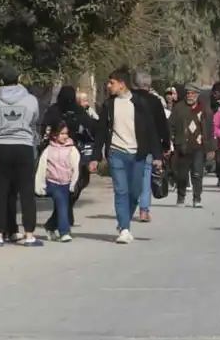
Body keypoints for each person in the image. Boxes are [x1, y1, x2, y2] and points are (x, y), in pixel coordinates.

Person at [97, 69, 165, 244]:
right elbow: (101, 131)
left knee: (134, 192)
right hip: (116, 153)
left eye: (111, 82)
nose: (108, 86)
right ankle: (124, 228)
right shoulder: (108, 105)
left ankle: (125, 221)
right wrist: (95, 156)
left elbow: (151, 130)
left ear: (122, 83)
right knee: (121, 191)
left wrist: (157, 155)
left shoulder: (140, 103)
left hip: (138, 154)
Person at [0, 64, 43, 247]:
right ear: (19, 77)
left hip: (0, 147)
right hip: (23, 146)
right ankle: (29, 234)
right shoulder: (30, 100)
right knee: (26, 192)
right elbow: (34, 120)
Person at [44, 85, 99, 234]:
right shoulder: (55, 111)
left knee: (75, 186)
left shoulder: (77, 111)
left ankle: (60, 217)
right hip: (58, 154)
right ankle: (62, 220)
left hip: (75, 153)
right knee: (64, 188)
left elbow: (90, 128)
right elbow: (46, 129)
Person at [130, 71, 171, 223]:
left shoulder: (128, 100)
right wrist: (165, 145)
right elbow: (162, 125)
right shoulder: (154, 101)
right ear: (149, 84)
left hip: (129, 143)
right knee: (146, 176)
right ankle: (144, 211)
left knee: (130, 177)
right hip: (148, 145)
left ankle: (129, 207)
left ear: (135, 84)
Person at [35, 122, 80, 242]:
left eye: (66, 133)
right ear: (54, 135)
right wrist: (40, 185)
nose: (65, 136)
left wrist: (74, 183)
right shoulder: (48, 150)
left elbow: (76, 168)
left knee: (63, 207)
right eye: (62, 134)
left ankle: (50, 226)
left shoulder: (72, 149)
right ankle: (64, 232)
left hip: (66, 183)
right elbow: (41, 168)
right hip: (52, 183)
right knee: (61, 202)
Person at [170, 84, 210, 208]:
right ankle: (180, 197)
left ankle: (197, 199)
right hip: (182, 145)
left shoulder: (204, 109)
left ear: (197, 95)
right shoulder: (179, 108)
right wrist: (171, 139)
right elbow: (170, 125)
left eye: (193, 93)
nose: (190, 96)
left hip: (199, 146)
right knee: (182, 174)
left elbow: (209, 129)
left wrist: (210, 147)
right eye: (188, 93)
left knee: (197, 173)